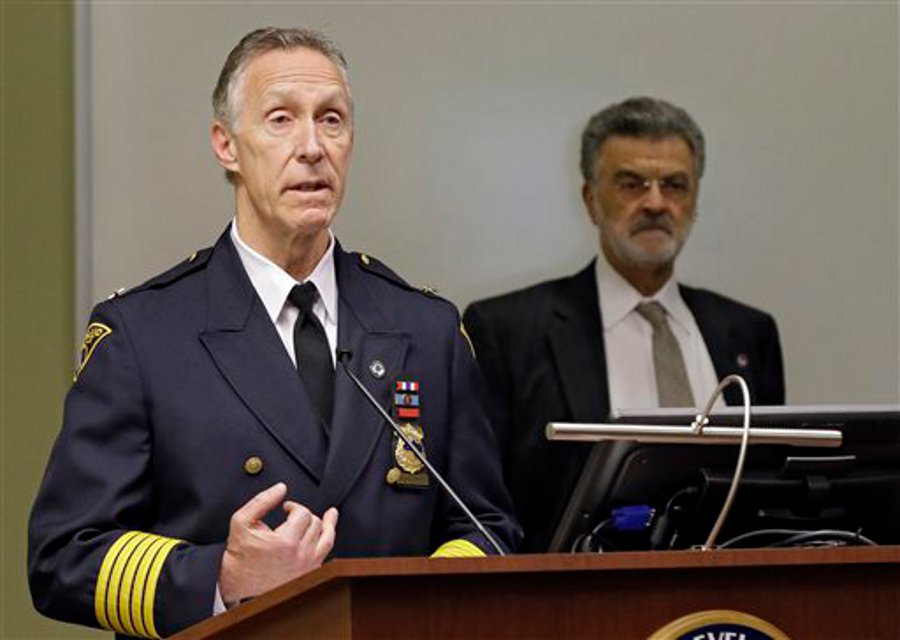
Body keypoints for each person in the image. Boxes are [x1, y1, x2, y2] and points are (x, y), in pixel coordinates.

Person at [29, 27, 520, 638]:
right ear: (226, 145)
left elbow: (486, 526)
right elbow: (63, 555)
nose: (312, 146)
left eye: (332, 120)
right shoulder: (144, 333)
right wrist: (221, 576)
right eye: (281, 119)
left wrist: (422, 608)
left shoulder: (426, 329)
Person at [463, 97, 785, 552]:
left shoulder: (749, 334)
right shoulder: (507, 332)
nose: (655, 203)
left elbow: (770, 497)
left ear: (694, 201)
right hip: (572, 604)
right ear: (591, 201)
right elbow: (484, 507)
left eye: (675, 185)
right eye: (632, 184)